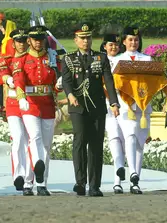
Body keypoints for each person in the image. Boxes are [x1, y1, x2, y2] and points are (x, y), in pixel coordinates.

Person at [61, 23, 119, 197]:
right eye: (82, 38)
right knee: (80, 142)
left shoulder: (100, 58)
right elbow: (66, 81)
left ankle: (94, 185)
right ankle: (80, 182)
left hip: (97, 107)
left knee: (95, 146)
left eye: (88, 38)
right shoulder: (68, 59)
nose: (86, 41)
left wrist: (114, 103)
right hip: (78, 107)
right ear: (76, 40)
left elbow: (108, 81)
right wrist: (70, 95)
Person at [12, 25, 57, 196]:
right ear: (29, 40)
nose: (38, 42)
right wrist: (21, 96)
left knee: (46, 145)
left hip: (47, 104)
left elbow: (55, 80)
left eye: (41, 39)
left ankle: (38, 183)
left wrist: (59, 86)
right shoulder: (22, 59)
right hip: (29, 103)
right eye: (35, 39)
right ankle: (35, 176)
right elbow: (18, 79)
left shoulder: (51, 57)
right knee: (35, 137)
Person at [111, 26, 152, 194]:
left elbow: (152, 82)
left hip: (142, 107)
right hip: (125, 105)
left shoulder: (147, 59)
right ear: (124, 42)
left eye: (136, 40)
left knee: (139, 144)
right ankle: (129, 175)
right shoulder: (117, 60)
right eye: (130, 40)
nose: (133, 42)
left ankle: (135, 181)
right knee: (129, 136)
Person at [0, 28, 34, 195]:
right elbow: (2, 73)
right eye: (18, 41)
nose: (21, 44)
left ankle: (27, 176)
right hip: (13, 104)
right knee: (18, 138)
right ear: (13, 43)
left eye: (23, 41)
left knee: (28, 140)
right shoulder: (6, 58)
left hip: (30, 103)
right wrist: (8, 78)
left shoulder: (32, 58)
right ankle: (18, 174)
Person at [100, 33, 125, 194]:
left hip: (123, 102)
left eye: (116, 44)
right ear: (104, 46)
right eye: (110, 44)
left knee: (124, 138)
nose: (113, 47)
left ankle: (121, 174)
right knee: (114, 137)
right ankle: (118, 175)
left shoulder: (124, 60)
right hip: (106, 103)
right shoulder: (99, 60)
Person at [0, 12, 16, 105]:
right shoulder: (3, 38)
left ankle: (4, 106)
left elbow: (10, 54)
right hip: (0, 64)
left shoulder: (9, 40)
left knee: (2, 87)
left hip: (4, 66)